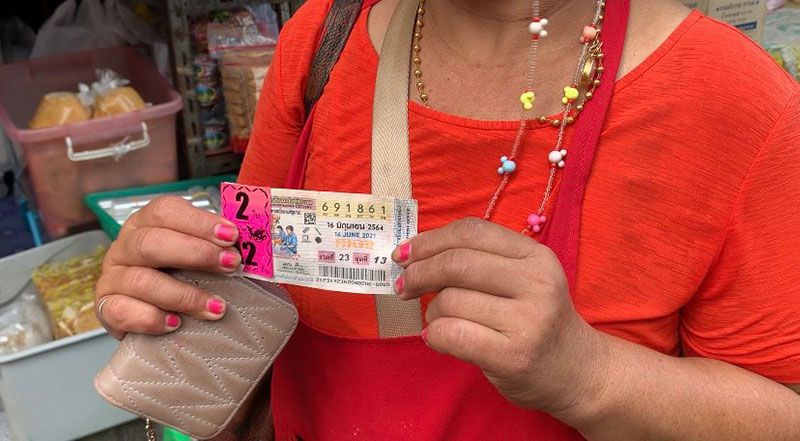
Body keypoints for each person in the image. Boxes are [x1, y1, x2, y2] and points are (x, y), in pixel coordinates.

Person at [94, 0, 800, 439]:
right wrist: (173, 307)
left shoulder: (732, 100)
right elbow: (240, 320)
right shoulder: (321, 43)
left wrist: (588, 375)